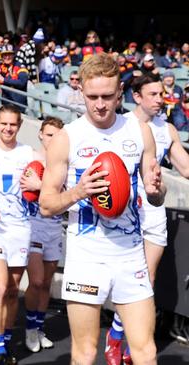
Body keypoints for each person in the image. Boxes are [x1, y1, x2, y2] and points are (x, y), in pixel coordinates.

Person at [39, 53, 165, 365]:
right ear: (80, 91)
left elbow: (157, 195)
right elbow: (45, 205)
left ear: (120, 93)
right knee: (83, 352)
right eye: (92, 96)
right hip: (86, 257)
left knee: (146, 351)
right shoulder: (68, 138)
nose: (99, 104)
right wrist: (78, 192)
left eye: (107, 96)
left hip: (130, 254)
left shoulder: (139, 131)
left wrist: (155, 189)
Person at [105, 73, 189, 365]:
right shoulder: (120, 124)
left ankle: (127, 342)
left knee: (147, 280)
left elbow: (185, 167)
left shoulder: (168, 129)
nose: (159, 99)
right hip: (124, 211)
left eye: (161, 94)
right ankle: (117, 337)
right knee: (125, 279)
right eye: (153, 94)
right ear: (136, 97)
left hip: (154, 211)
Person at [0, 105, 35, 364]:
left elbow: (45, 184)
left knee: (13, 290)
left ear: (19, 125)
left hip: (21, 228)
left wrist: (38, 185)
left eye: (13, 124)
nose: (8, 128)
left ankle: (6, 339)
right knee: (0, 287)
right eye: (3, 124)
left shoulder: (28, 154)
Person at [21, 117, 64, 353]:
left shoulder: (63, 165)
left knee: (46, 283)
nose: (52, 139)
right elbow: (25, 189)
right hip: (33, 226)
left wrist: (43, 186)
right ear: (40, 134)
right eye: (49, 134)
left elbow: (67, 198)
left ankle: (39, 328)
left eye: (57, 135)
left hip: (55, 228)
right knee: (36, 281)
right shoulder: (30, 159)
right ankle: (29, 328)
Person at [0, 48, 28, 113]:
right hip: (2, 100)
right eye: (5, 55)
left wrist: (4, 80)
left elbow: (22, 82)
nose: (7, 57)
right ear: (2, 56)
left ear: (13, 55)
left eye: (10, 55)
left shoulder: (20, 66)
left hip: (16, 104)